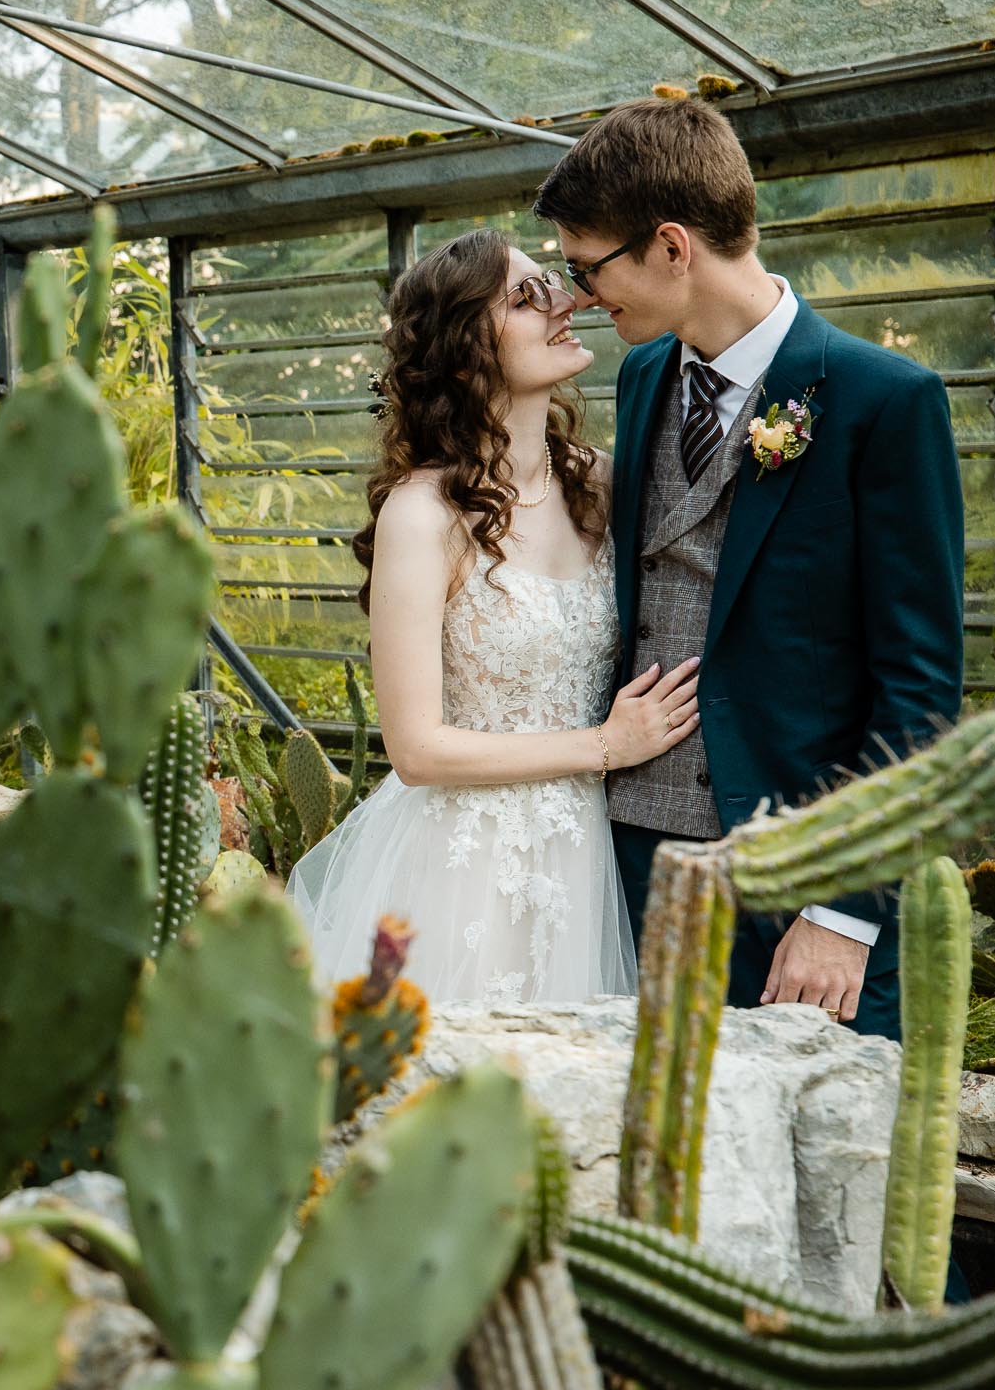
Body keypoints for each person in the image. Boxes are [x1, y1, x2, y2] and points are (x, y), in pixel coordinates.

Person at [533, 96, 964, 1041]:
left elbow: (921, 692)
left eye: (586, 265)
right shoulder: (644, 377)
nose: (578, 295)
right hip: (634, 870)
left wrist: (847, 912)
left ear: (673, 247)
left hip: (802, 898)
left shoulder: (883, 401)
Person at [288, 227, 694, 1005]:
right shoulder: (422, 515)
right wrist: (605, 744)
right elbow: (416, 749)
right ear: (466, 344)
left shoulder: (603, 484)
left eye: (555, 282)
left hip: (584, 859)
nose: (565, 301)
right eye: (525, 295)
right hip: (463, 864)